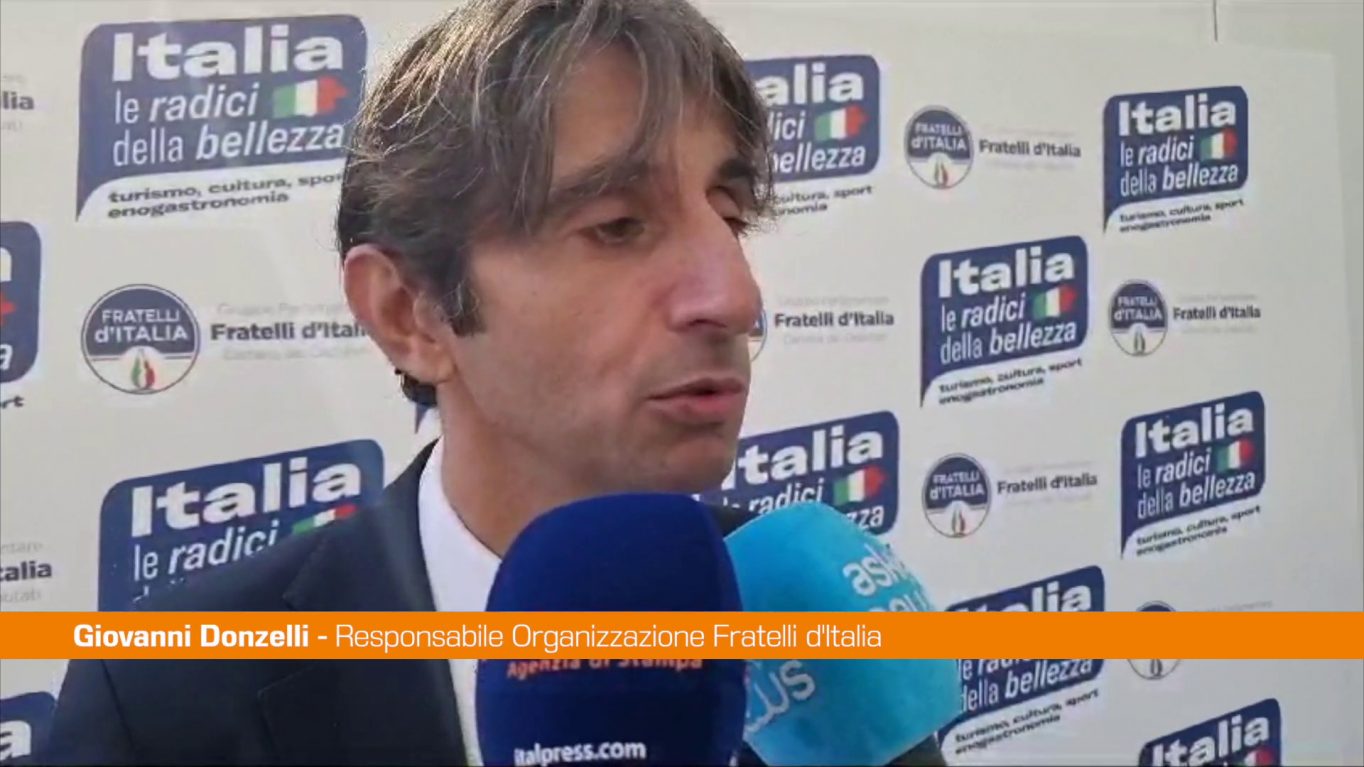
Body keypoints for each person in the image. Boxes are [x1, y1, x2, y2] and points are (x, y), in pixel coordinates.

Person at [45, 1, 946, 764]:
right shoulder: (162, 695)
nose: (736, 297)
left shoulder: (815, 621)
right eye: (618, 225)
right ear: (409, 313)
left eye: (730, 215)